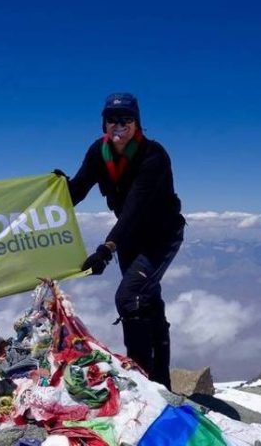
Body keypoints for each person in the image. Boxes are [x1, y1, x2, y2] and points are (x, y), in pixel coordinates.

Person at [56, 92, 185, 389]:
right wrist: (56, 188)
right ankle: (160, 382)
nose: (118, 125)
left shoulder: (153, 155)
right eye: (112, 119)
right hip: (130, 238)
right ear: (104, 123)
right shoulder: (97, 152)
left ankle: (141, 380)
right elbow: (76, 192)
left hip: (160, 236)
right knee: (146, 301)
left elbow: (133, 210)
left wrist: (106, 249)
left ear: (137, 123)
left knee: (129, 298)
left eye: (126, 119)